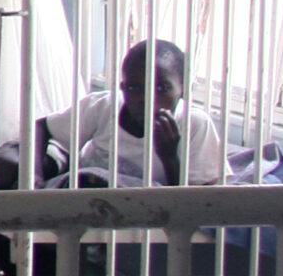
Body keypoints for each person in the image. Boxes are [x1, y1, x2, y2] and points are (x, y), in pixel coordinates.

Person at [37, 39, 223, 187]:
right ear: (123, 88)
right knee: (11, 160)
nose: (146, 98)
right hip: (88, 191)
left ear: (182, 90)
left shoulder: (195, 124)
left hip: (145, 206)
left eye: (162, 88)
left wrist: (170, 157)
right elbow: (41, 127)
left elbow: (194, 202)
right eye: (134, 87)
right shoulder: (104, 106)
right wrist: (34, 174)